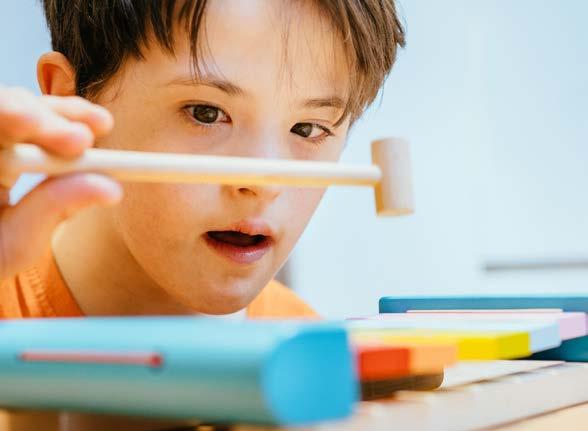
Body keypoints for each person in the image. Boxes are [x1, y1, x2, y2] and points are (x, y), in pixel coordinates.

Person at [0, 0, 404, 319]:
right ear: (71, 100)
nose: (265, 185)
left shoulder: (310, 356)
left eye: (307, 128)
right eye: (206, 114)